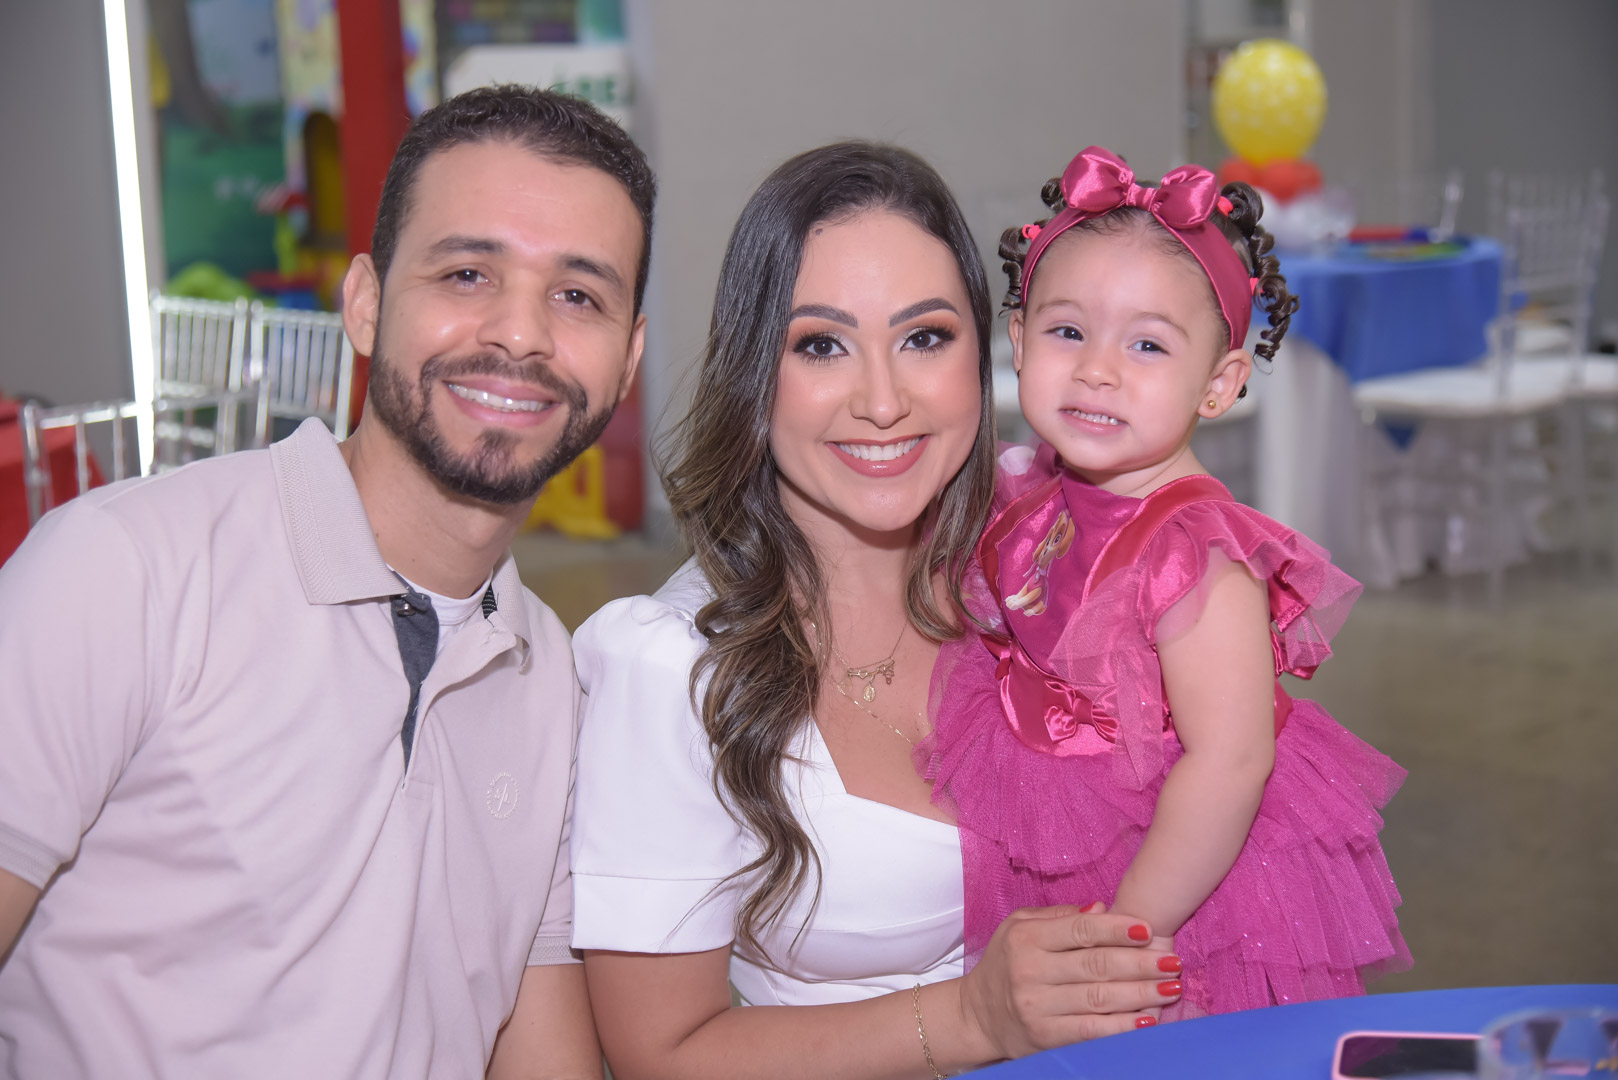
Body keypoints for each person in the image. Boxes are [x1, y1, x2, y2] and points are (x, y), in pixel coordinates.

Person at [0, 85, 651, 1078]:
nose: (520, 333)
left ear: (628, 358)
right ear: (366, 304)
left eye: (578, 296)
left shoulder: (553, 682)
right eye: (467, 273)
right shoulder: (126, 571)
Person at [568, 142, 1184, 1080]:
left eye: (924, 337)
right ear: (752, 373)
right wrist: (973, 1019)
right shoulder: (672, 668)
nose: (884, 402)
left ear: (991, 351)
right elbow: (663, 1054)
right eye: (821, 345)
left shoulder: (1048, 552)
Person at [920, 145, 1412, 1020]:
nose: (1098, 369)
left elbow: (1230, 761)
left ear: (1218, 385)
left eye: (1147, 344)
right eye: (1068, 332)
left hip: (1175, 873)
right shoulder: (1029, 485)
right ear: (1020, 341)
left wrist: (1126, 936)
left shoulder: (1196, 551)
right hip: (1051, 818)